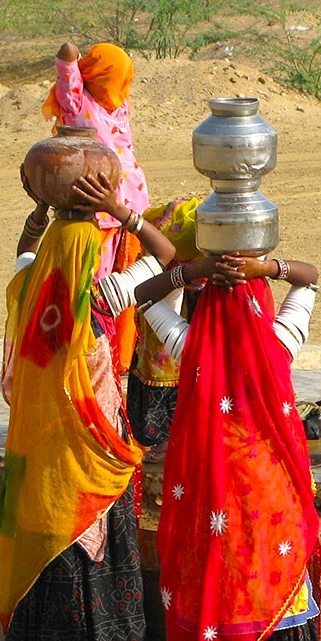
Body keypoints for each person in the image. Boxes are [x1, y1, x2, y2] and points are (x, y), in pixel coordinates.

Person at [96, 241, 321, 641]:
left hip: (216, 501)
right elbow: (309, 278)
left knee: (218, 589)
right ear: (263, 302)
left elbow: (139, 296)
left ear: (206, 301)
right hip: (274, 500)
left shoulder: (188, 345)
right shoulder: (281, 340)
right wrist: (268, 267)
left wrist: (189, 273)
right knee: (276, 590)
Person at [0, 172, 174, 641]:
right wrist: (122, 211)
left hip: (42, 460)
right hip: (92, 457)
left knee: (51, 553)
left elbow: (25, 254)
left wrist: (38, 222)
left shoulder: (30, 292)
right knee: (98, 555)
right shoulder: (97, 301)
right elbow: (162, 254)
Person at [43, 41, 150, 282]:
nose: (120, 83)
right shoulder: (77, 102)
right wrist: (80, 64)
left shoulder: (120, 106)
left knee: (127, 281)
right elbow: (67, 55)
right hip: (97, 206)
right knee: (96, 283)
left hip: (130, 203)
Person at [125, 198, 203, 462]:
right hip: (166, 347)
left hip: (169, 351)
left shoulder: (171, 276)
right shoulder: (184, 276)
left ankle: (169, 441)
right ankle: (169, 439)